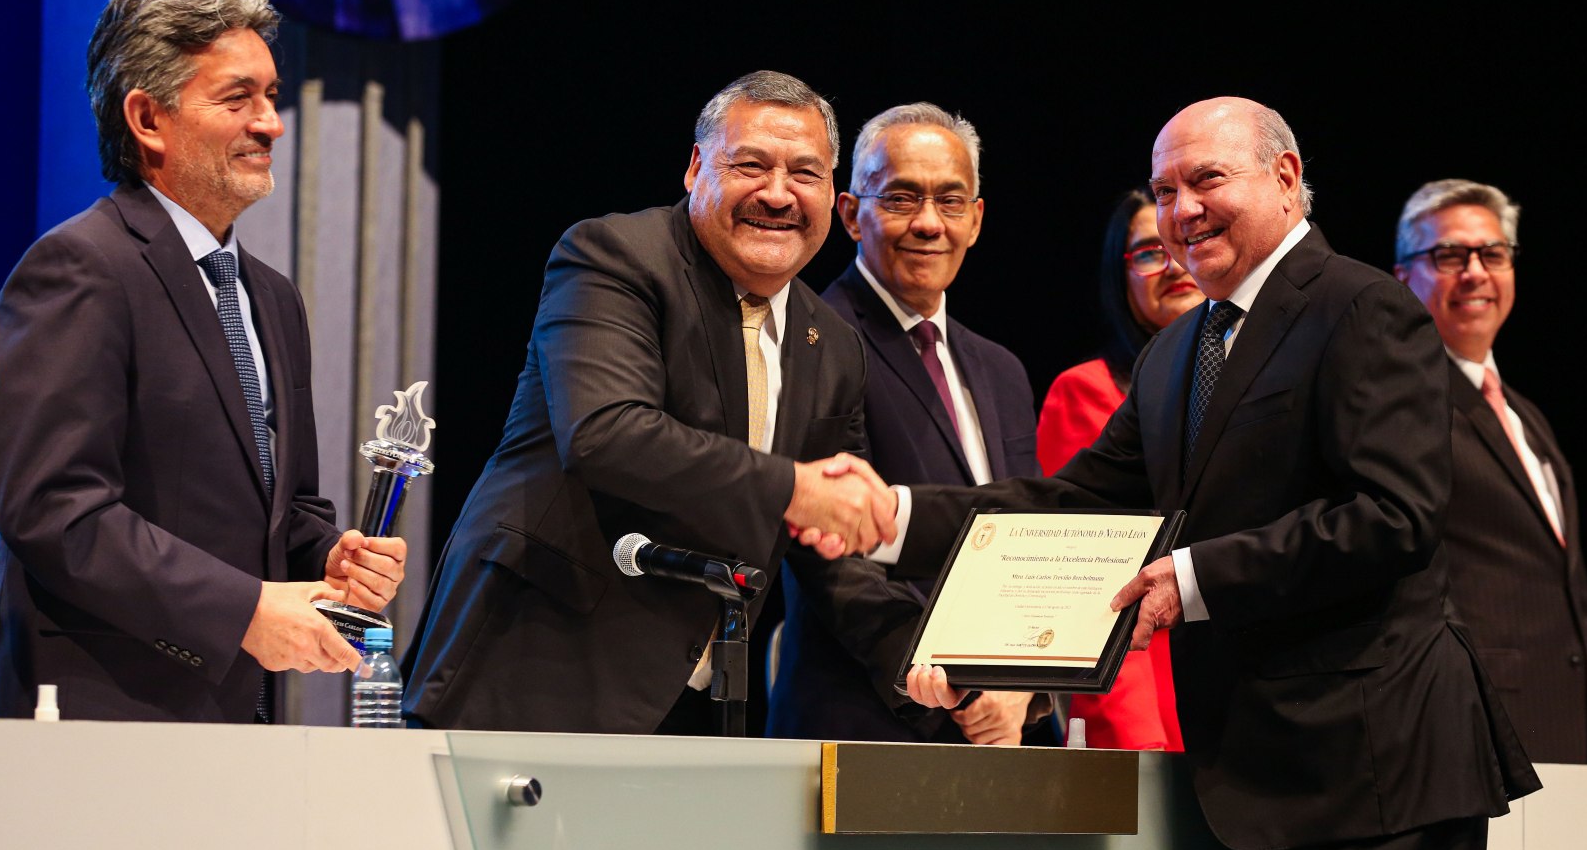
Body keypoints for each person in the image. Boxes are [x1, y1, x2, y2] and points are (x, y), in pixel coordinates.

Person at [880, 98, 1540, 850]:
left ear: (1286, 178)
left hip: (1379, 774)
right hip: (1256, 783)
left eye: (1207, 180)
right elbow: (1074, 501)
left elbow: (1394, 516)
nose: (1182, 209)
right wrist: (892, 518)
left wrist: (1190, 581)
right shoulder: (1177, 351)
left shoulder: (1361, 308)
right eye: (1164, 190)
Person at [400, 71, 917, 735]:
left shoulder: (835, 344)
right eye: (750, 165)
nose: (778, 193)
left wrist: (922, 662)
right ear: (696, 167)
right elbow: (607, 433)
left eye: (805, 173)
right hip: (533, 676)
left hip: (697, 702)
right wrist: (795, 488)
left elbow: (827, 545)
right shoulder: (614, 257)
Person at [0, 0, 406, 722]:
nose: (270, 124)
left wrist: (328, 556)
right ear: (147, 118)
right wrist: (244, 611)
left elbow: (286, 506)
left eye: (271, 96)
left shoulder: (272, 296)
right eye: (238, 98)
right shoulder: (80, 268)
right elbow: (55, 511)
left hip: (234, 719)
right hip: (94, 716)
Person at [768, 102, 1045, 746]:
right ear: (849, 214)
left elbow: (1028, 541)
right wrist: (953, 681)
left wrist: (1025, 685)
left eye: (950, 201)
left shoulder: (1002, 370)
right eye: (900, 198)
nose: (928, 222)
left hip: (1001, 731)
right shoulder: (809, 340)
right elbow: (827, 552)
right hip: (866, 726)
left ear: (976, 219)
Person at [1392, 179, 1587, 765]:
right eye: (1449, 255)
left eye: (1492, 253)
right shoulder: (1403, 405)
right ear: (1402, 278)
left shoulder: (1527, 417)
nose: (1475, 272)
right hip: (1477, 736)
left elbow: (1569, 601)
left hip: (1575, 735)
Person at [1038, 187, 1203, 751]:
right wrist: (1135, 739)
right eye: (1149, 252)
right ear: (1121, 277)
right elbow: (1092, 581)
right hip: (1151, 708)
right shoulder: (1086, 391)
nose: (1173, 264)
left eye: (1183, 243)